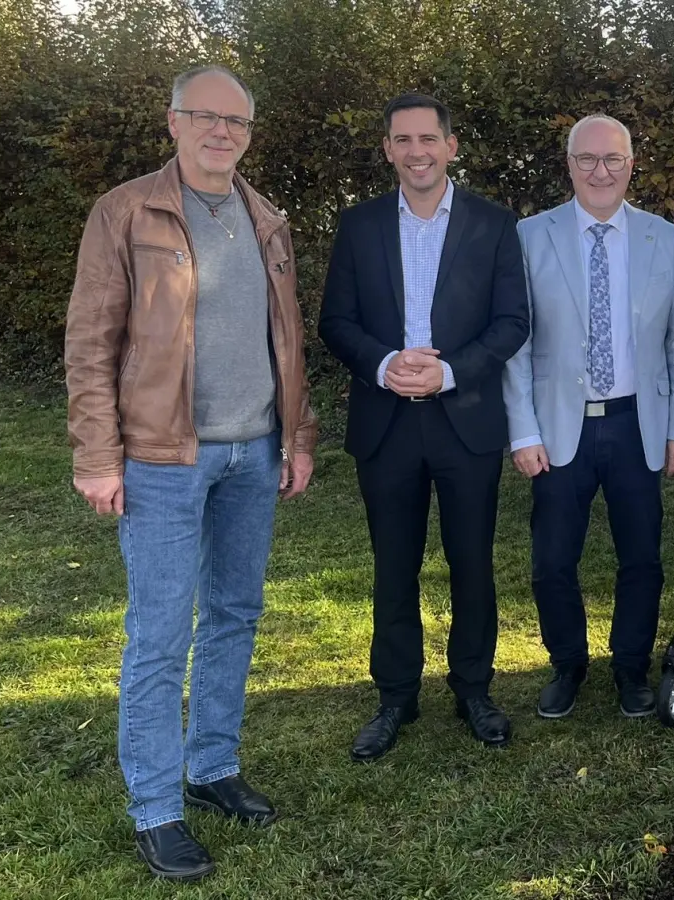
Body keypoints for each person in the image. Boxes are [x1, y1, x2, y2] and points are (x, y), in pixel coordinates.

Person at [64, 64, 318, 881]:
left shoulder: (266, 218)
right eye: (204, 117)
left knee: (236, 614)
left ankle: (211, 769)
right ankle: (156, 808)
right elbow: (90, 343)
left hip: (253, 452)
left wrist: (297, 436)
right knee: (161, 633)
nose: (221, 131)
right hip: (162, 457)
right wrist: (98, 455)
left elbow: (286, 341)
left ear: (248, 133)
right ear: (172, 123)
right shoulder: (126, 210)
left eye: (235, 121)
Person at [319, 93, 529, 760]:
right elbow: (336, 321)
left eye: (427, 139)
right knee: (394, 566)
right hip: (387, 423)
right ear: (387, 149)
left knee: (472, 563)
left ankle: (474, 690)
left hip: (464, 421)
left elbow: (512, 322)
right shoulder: (358, 225)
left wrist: (449, 372)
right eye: (402, 140)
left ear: (451, 145)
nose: (416, 151)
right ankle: (396, 698)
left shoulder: (494, 224)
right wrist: (384, 364)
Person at [502, 114, 674, 720]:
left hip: (637, 421)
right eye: (587, 159)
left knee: (641, 556)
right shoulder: (529, 236)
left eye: (613, 159)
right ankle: (567, 664)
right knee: (552, 559)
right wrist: (523, 429)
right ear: (569, 165)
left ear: (631, 164)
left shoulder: (661, 238)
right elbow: (515, 340)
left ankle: (631, 668)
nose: (600, 171)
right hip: (559, 427)